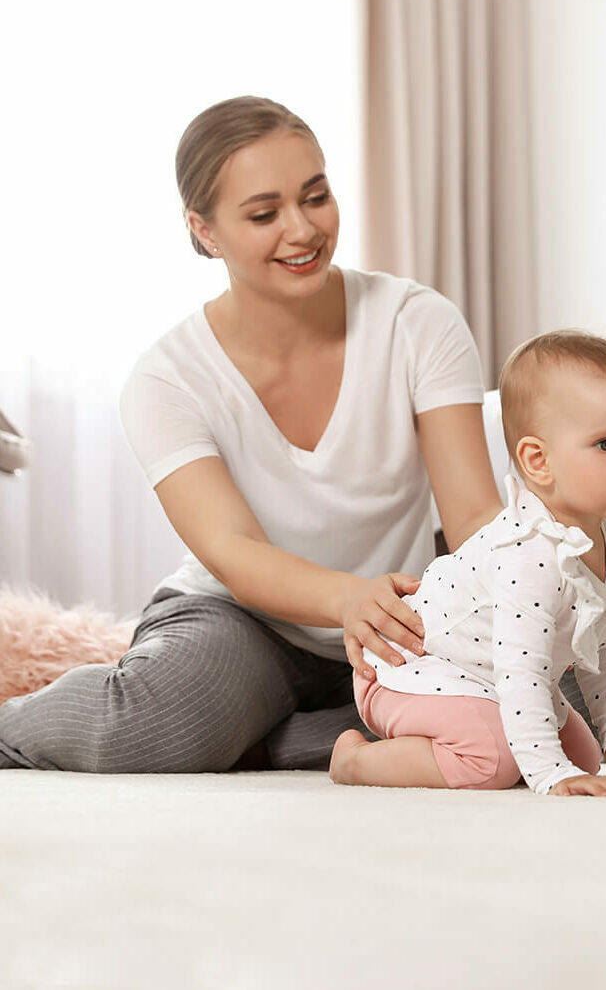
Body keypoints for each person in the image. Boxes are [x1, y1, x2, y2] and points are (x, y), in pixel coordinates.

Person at [0, 95, 507, 773]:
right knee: (150, 726)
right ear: (204, 230)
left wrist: (527, 598)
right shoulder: (166, 377)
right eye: (264, 214)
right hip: (242, 620)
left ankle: (263, 739)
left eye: (316, 196)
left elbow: (472, 513)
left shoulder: (416, 322)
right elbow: (233, 550)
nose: (301, 230)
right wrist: (346, 597)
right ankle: (14, 726)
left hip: (394, 622)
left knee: (549, 697)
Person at [329, 331, 606, 796]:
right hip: (414, 671)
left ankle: (468, 742)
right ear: (539, 461)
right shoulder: (529, 552)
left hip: (489, 680)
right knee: (493, 760)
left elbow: (602, 646)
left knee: (584, 758)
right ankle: (355, 759)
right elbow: (521, 669)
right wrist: (549, 775)